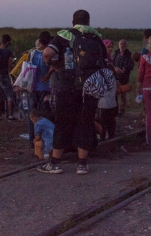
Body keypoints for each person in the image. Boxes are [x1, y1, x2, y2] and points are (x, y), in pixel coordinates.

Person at [38, 9, 111, 175]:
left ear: (73, 22)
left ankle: (55, 163)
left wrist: (54, 65)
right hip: (90, 87)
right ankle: (82, 164)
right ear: (88, 22)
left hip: (67, 86)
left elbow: (47, 53)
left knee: (63, 122)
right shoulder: (96, 38)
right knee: (85, 122)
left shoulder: (66, 35)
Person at [27, 32, 52, 145]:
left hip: (32, 87)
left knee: (32, 114)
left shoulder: (32, 53)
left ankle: (32, 139)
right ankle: (41, 138)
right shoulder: (49, 53)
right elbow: (53, 67)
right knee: (43, 115)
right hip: (45, 87)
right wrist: (48, 74)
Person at [0, 34, 16, 120]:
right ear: (7, 42)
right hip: (4, 75)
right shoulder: (8, 52)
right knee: (9, 96)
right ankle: (10, 115)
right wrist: (13, 76)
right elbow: (9, 66)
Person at [112, 39, 134, 115]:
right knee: (114, 94)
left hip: (123, 78)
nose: (122, 45)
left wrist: (124, 69)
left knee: (123, 94)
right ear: (119, 45)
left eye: (124, 43)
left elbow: (131, 66)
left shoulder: (129, 55)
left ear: (126, 45)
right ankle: (115, 109)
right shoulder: (115, 53)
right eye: (121, 43)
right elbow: (111, 63)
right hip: (114, 76)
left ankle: (122, 109)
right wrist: (115, 68)